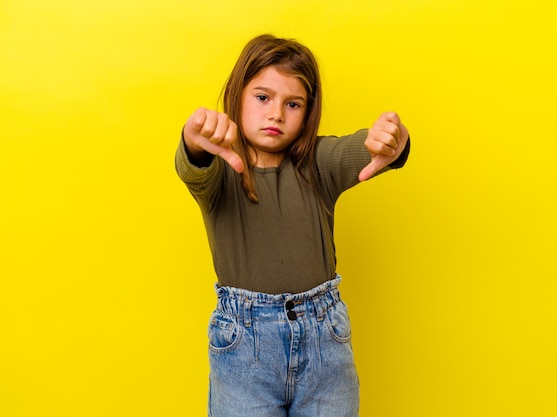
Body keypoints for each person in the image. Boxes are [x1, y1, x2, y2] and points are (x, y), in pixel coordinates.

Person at [175, 34, 410, 417]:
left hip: (324, 346)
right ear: (237, 95)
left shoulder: (318, 163)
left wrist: (391, 142)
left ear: (308, 111)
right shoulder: (220, 172)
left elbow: (365, 147)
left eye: (293, 103)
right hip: (243, 350)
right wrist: (194, 142)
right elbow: (193, 166)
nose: (276, 114)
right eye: (263, 97)